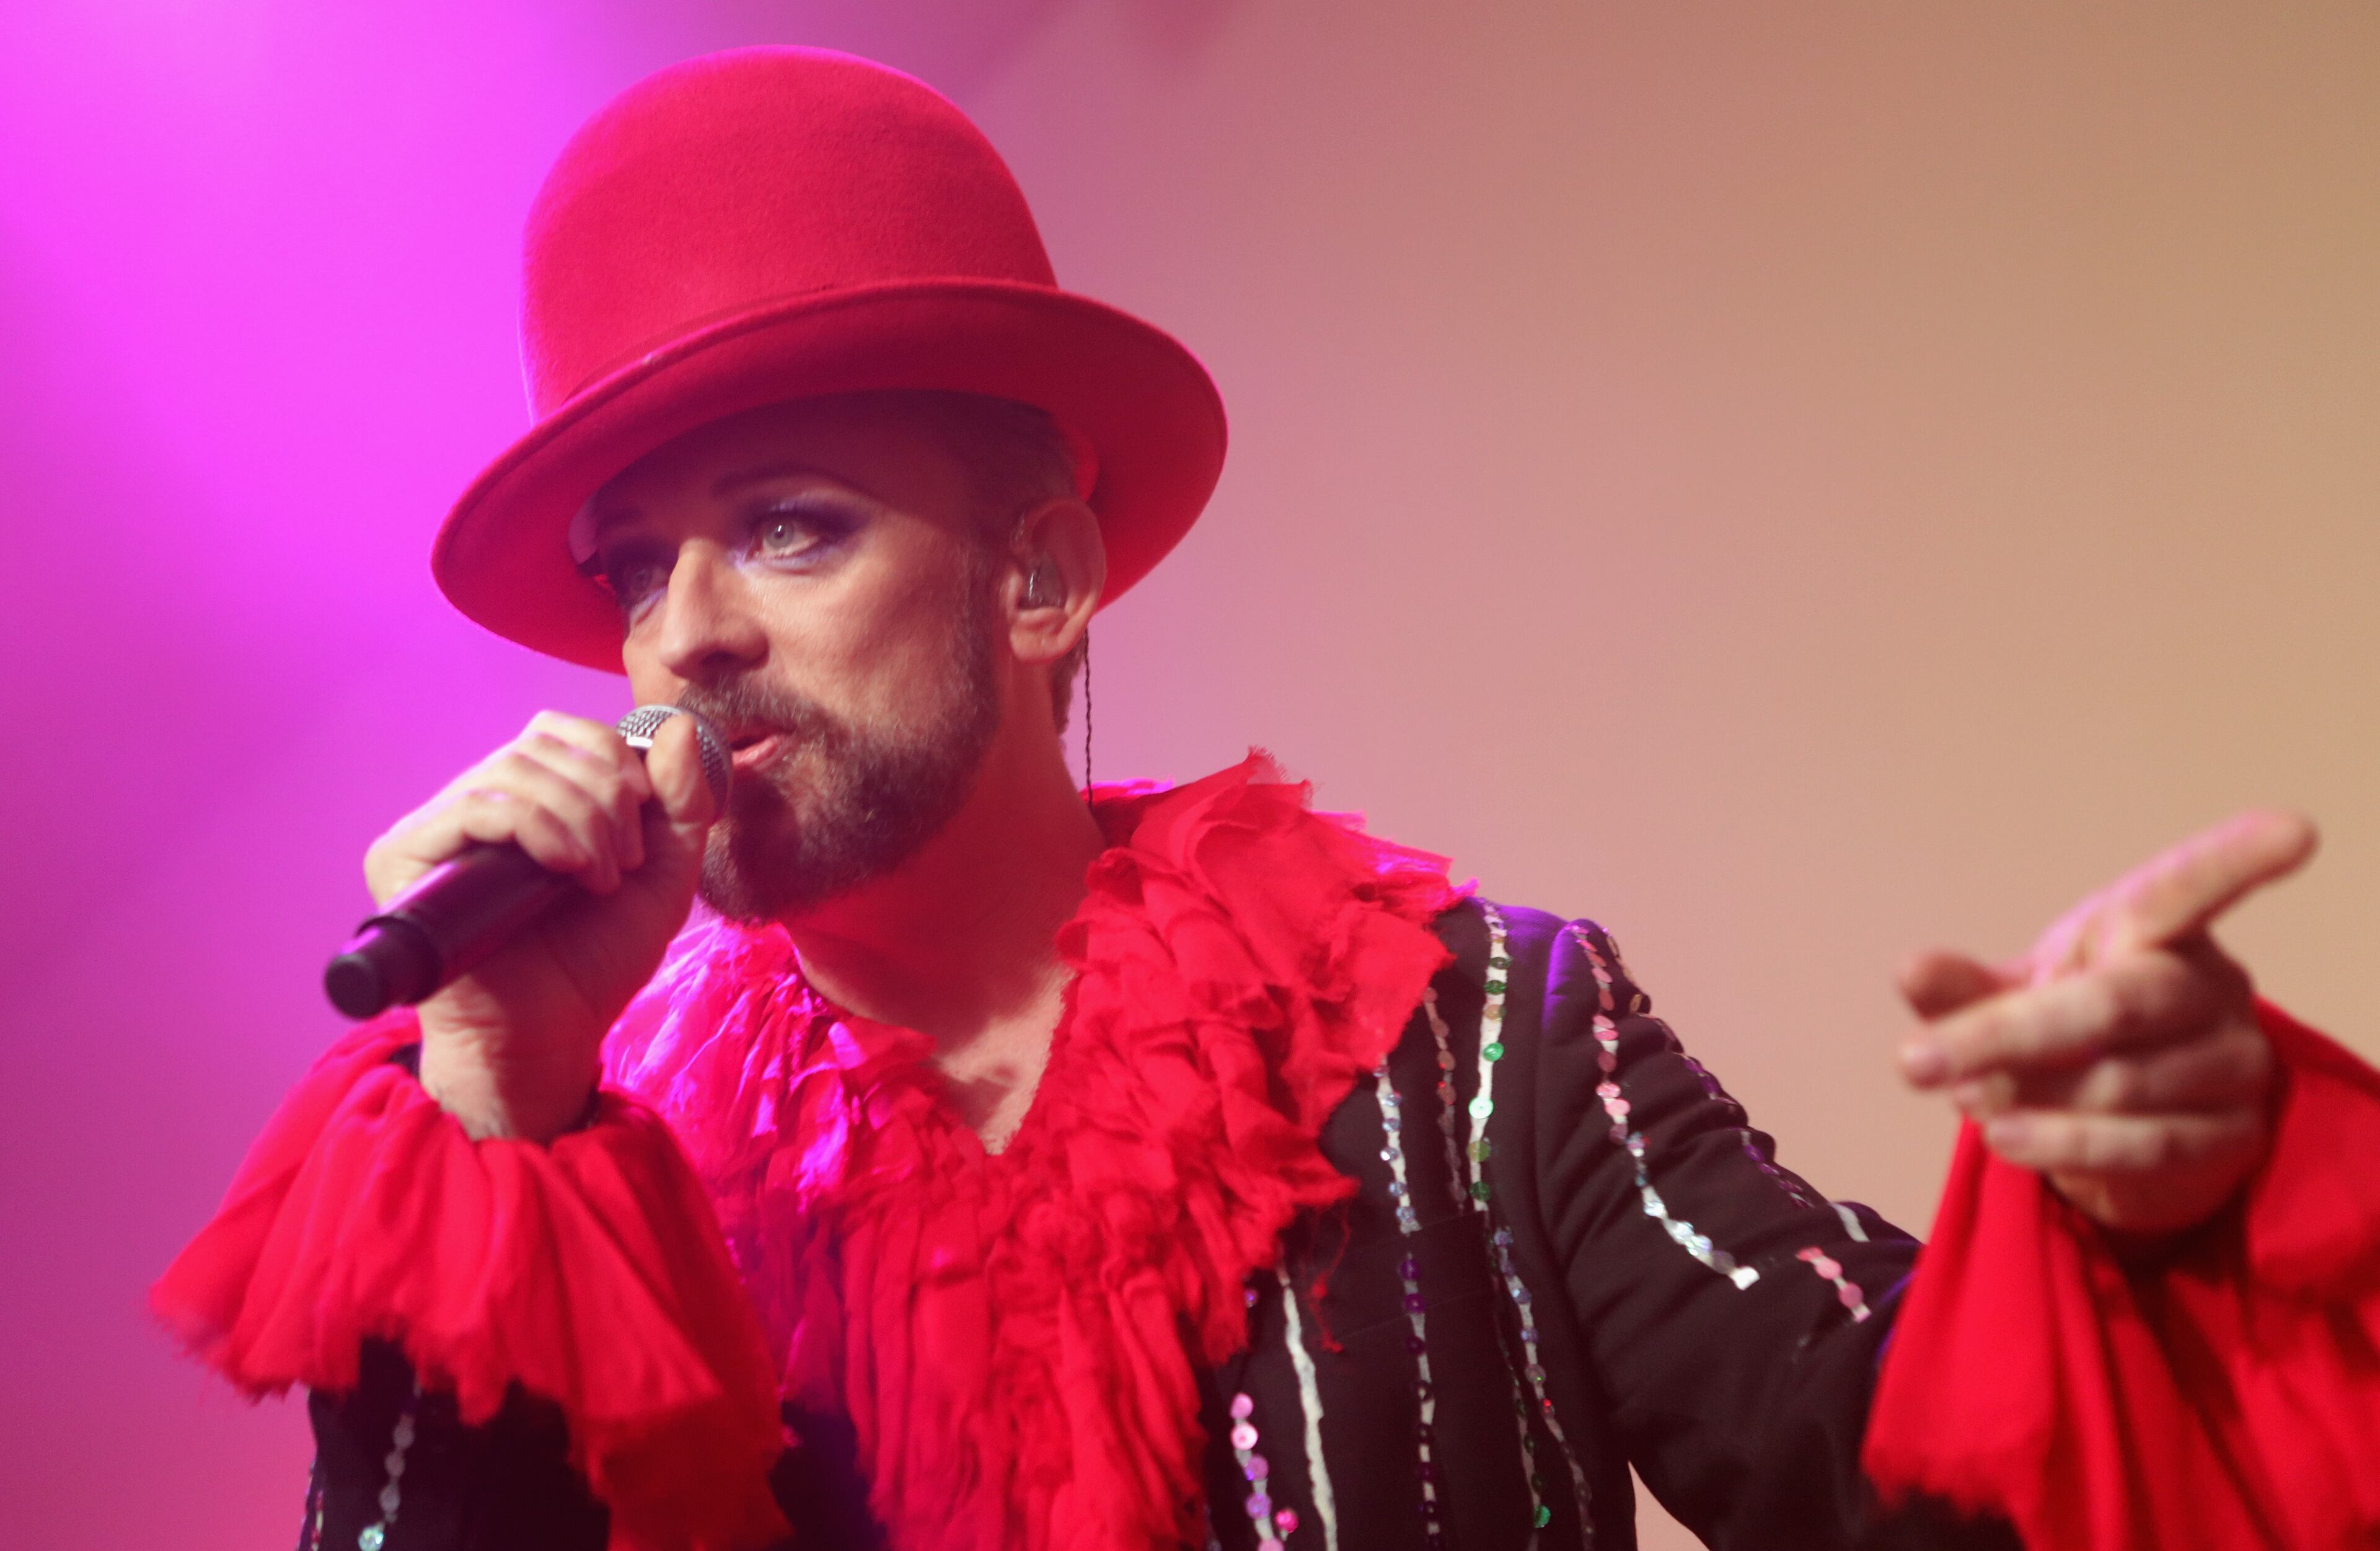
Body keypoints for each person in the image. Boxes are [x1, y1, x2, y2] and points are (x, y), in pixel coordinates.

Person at [156, 46, 2380, 1551]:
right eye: (641, 569)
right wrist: (504, 1109)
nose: (684, 636)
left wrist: (2180, 1220)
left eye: (794, 526)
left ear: (1041, 576)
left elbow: (1914, 1474)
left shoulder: (1485, 1034)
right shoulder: (609, 1150)